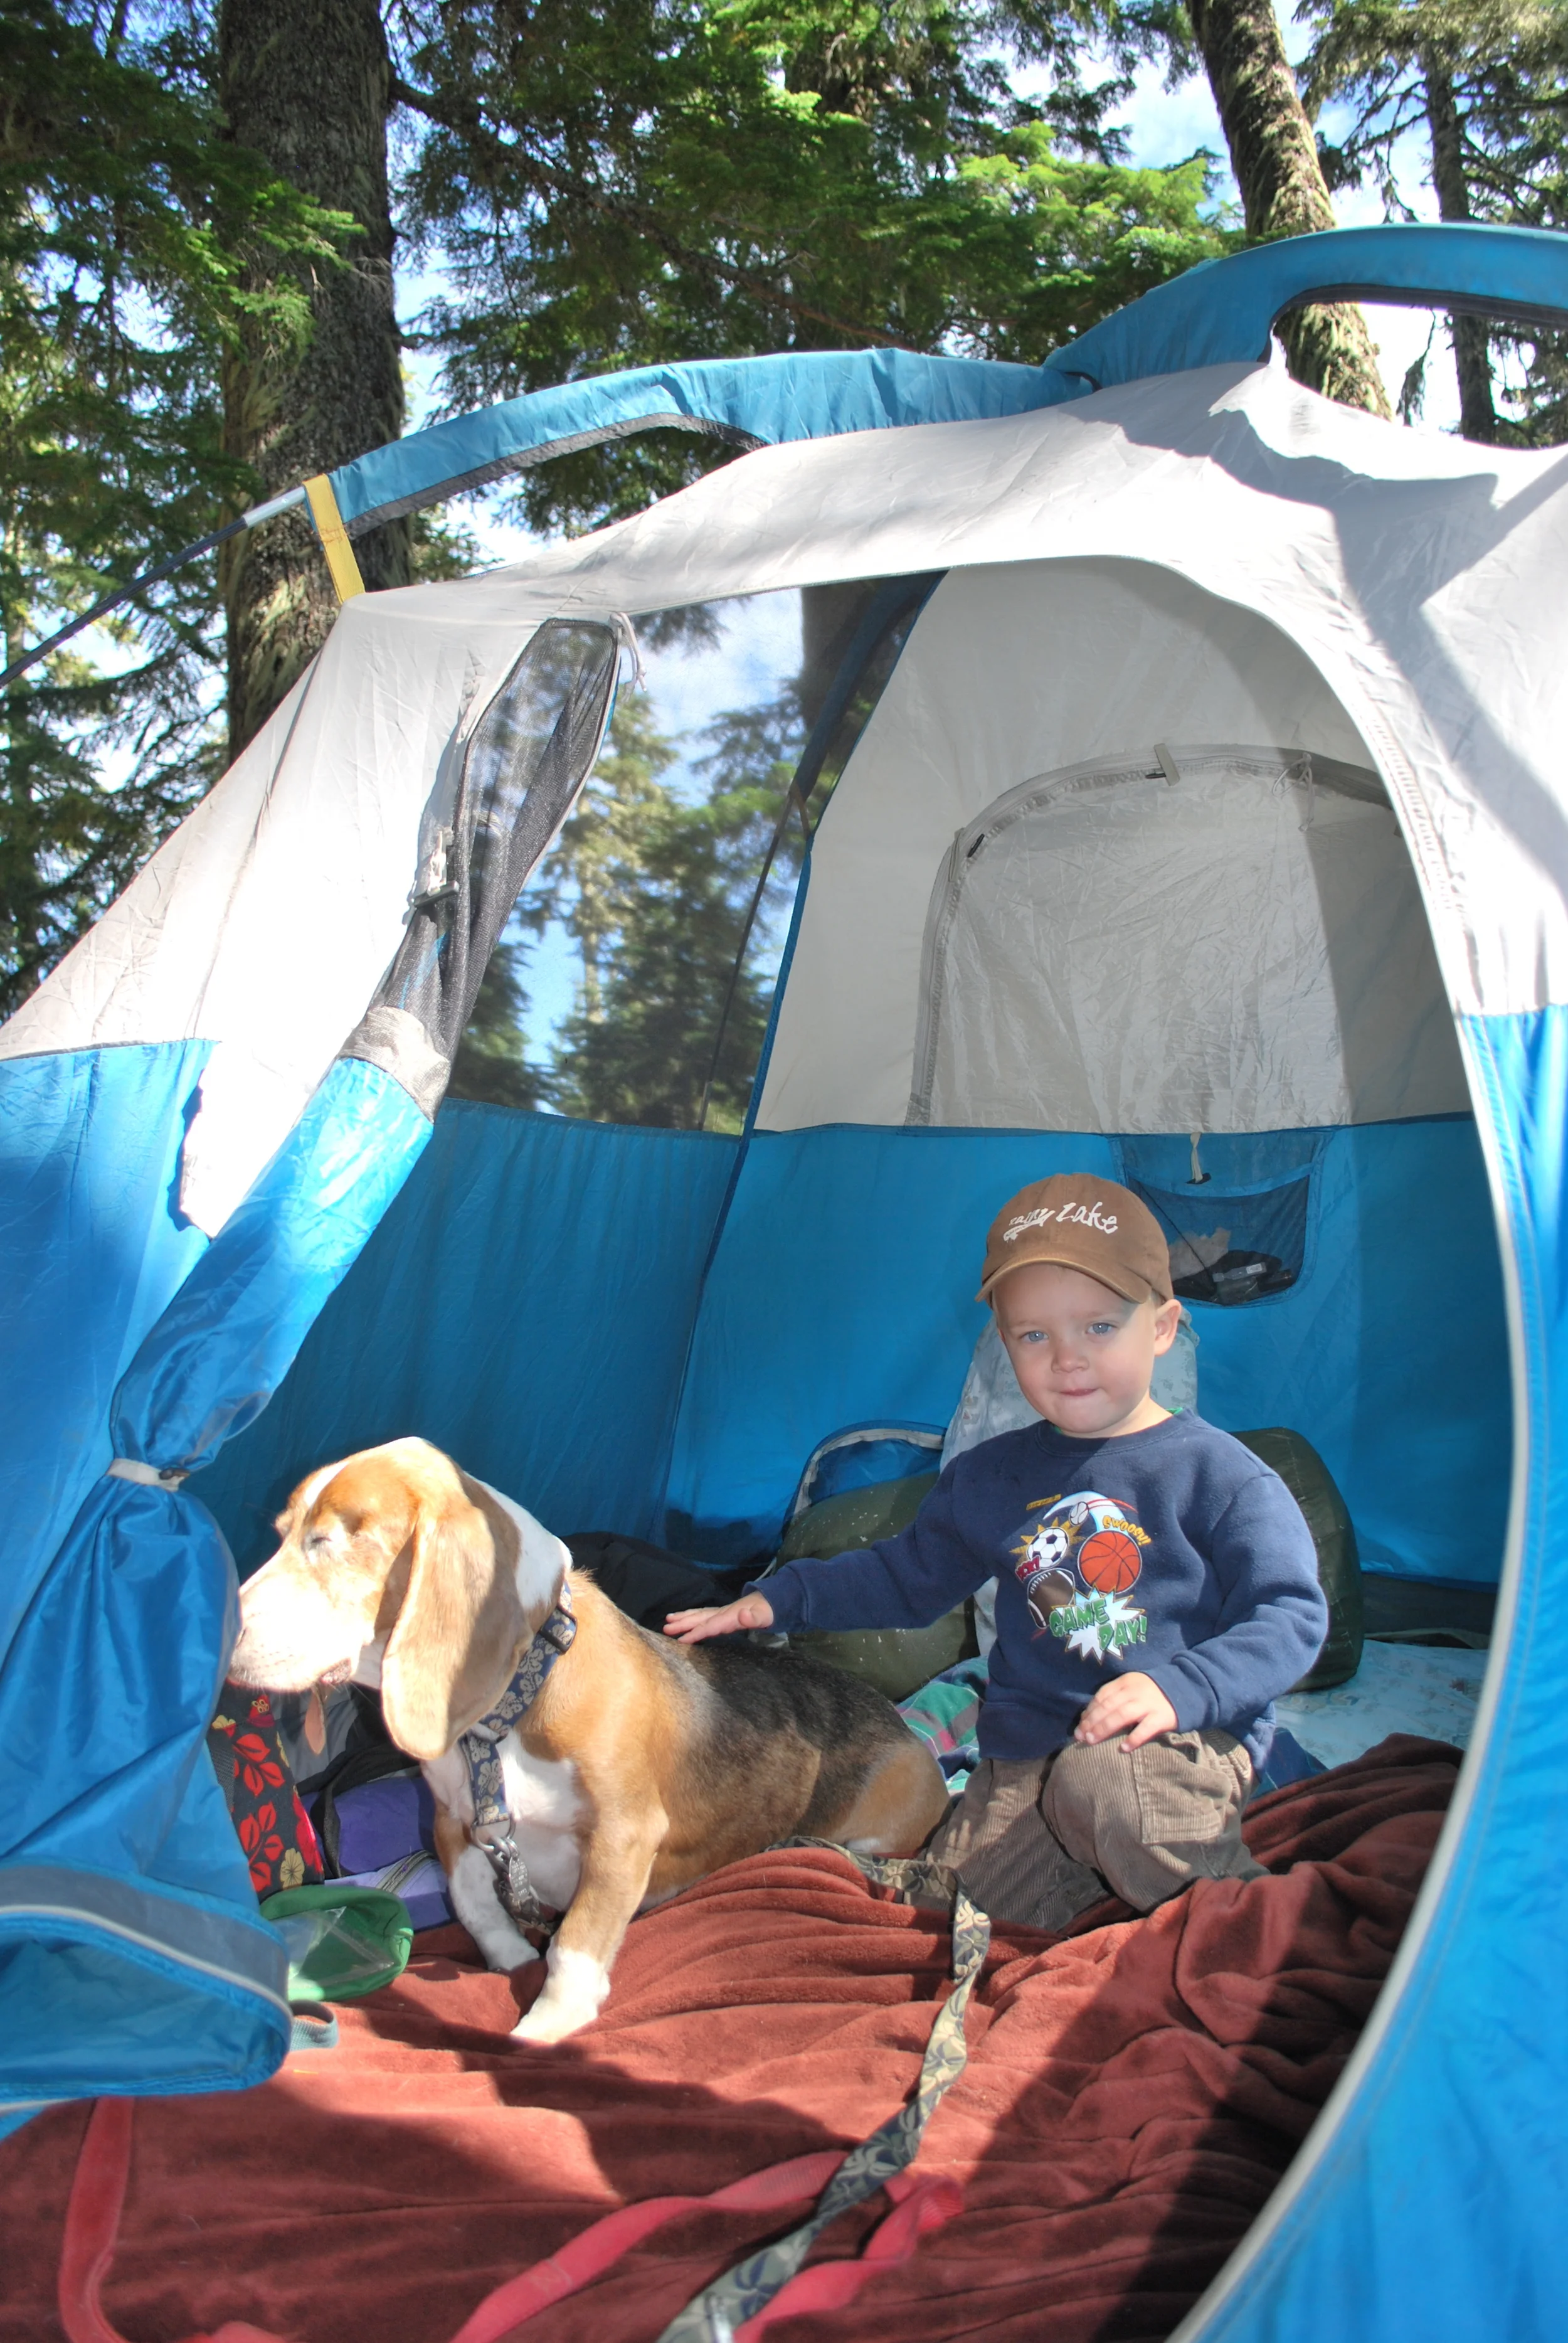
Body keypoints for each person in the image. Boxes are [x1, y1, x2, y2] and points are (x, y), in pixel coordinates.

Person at [664, 1172, 1328, 1932]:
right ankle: (1102, 1894)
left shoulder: (1221, 1476)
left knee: (1101, 1789)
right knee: (940, 1923)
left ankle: (1265, 1938)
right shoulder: (989, 1477)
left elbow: (1290, 1618)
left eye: (1099, 1327)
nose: (1067, 1358)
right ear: (1003, 1343)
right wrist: (781, 1596)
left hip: (1174, 1740)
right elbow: (905, 1578)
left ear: (1164, 1326)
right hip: (1029, 1752)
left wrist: (1183, 1689)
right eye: (1033, 1335)